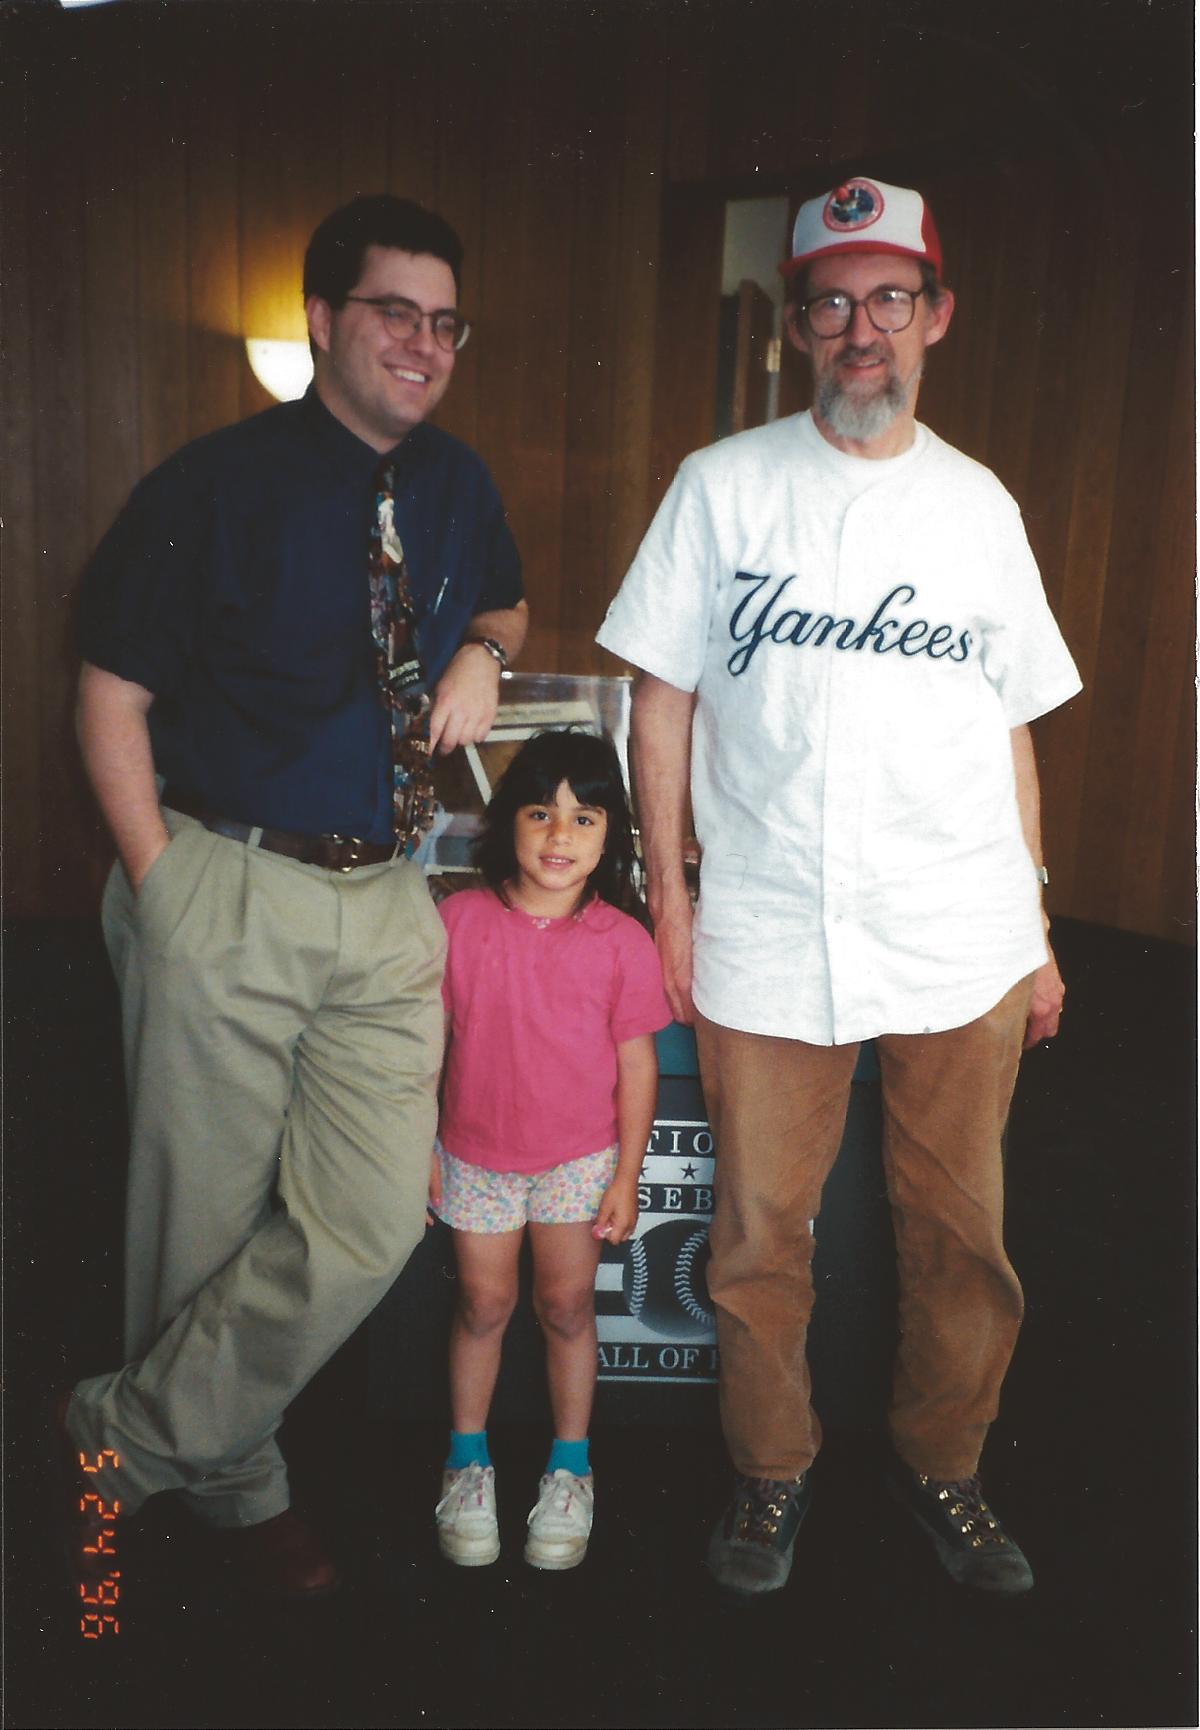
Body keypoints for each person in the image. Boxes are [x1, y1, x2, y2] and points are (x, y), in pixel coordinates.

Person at [596, 175, 1081, 1599]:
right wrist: (669, 899)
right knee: (758, 1231)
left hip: (960, 926)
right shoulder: (722, 483)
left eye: (889, 299)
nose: (861, 329)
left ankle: (946, 1464)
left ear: (937, 315)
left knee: (962, 1232)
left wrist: (1036, 925)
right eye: (831, 303)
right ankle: (770, 1470)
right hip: (764, 918)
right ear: (798, 324)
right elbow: (660, 700)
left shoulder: (979, 506)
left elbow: (1010, 724)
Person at [61, 194, 528, 1599]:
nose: (425, 343)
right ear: (324, 321)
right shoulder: (214, 485)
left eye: (446, 323)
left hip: (386, 900)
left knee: (373, 1217)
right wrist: (164, 883)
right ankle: (234, 1482)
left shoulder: (456, 482)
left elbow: (502, 602)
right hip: (231, 879)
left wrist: (487, 656)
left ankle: (120, 1440)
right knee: (198, 1224)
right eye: (395, 313)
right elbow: (109, 693)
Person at [430, 729, 670, 1571]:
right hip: (473, 1157)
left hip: (577, 1163)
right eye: (541, 813)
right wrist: (421, 1146)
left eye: (583, 818)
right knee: (482, 1305)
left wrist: (628, 1175)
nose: (560, 835)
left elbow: (637, 1065)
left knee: (566, 1307)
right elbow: (426, 1044)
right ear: (510, 822)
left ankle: (571, 1469)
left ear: (609, 837)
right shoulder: (458, 920)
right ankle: (467, 1463)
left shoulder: (622, 940)